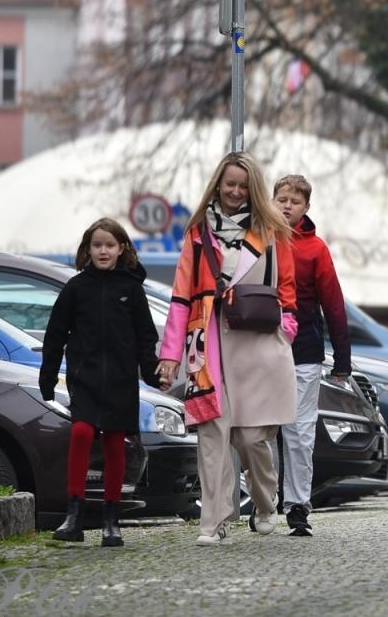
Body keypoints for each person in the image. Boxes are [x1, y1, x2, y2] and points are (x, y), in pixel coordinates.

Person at [158, 151, 298, 545]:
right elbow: (181, 296)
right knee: (213, 435)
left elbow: (287, 289)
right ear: (218, 184)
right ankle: (213, 522)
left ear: (252, 188)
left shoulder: (273, 231)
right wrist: (170, 355)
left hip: (258, 341)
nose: (235, 192)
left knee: (252, 438)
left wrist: (286, 328)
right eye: (228, 184)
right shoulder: (198, 232)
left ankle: (266, 501)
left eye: (242, 185)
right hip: (209, 342)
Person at [40, 218, 161, 546]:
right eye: (97, 245)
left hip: (122, 380)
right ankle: (74, 516)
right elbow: (54, 335)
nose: (103, 251)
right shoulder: (76, 288)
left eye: (109, 245)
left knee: (114, 442)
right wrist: (48, 377)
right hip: (85, 378)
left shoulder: (132, 290)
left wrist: (151, 373)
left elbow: (145, 337)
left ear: (122, 248)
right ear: (87, 250)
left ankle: (112, 520)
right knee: (81, 433)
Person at [273, 173, 351, 536]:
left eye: (295, 201)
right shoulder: (258, 239)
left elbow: (333, 304)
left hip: (304, 348)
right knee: (260, 429)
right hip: (261, 348)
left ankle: (297, 505)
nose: (287, 206)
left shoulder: (315, 249)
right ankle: (264, 498)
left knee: (300, 429)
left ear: (306, 207)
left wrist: (343, 357)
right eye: (282, 199)